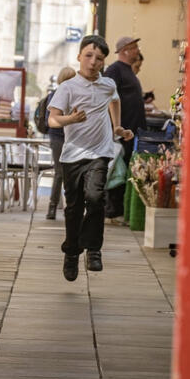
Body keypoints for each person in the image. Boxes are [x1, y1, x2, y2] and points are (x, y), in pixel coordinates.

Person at [48, 35, 133, 281]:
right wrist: (70, 120)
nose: (93, 62)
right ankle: (72, 253)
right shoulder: (67, 88)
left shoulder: (107, 85)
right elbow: (53, 119)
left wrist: (117, 127)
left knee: (96, 198)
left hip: (100, 152)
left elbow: (115, 101)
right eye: (88, 56)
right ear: (79, 57)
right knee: (74, 208)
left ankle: (94, 250)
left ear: (104, 62)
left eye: (99, 58)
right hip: (72, 155)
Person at [103, 36, 148, 221]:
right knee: (116, 172)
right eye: (134, 47)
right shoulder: (114, 71)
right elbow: (106, 97)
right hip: (121, 133)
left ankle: (118, 210)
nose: (137, 50)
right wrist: (115, 127)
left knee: (124, 170)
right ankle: (112, 211)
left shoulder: (128, 71)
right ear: (125, 50)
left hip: (131, 132)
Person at [45, 66, 76, 220]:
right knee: (60, 172)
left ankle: (68, 207)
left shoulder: (76, 95)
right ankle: (52, 207)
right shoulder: (56, 95)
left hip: (70, 137)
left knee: (68, 173)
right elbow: (49, 120)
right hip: (58, 137)